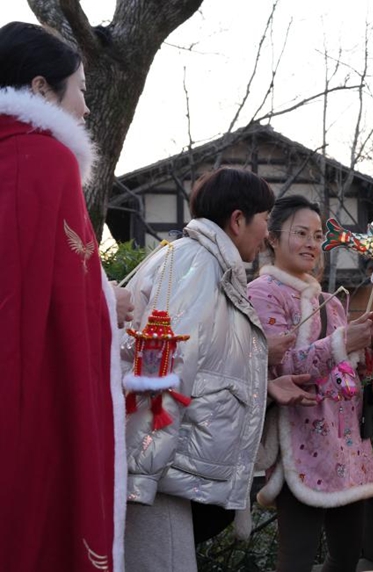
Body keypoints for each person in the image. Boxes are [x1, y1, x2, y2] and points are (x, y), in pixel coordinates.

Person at [121, 168, 316, 572]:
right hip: (162, 477)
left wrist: (265, 383)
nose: (266, 234)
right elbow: (163, 368)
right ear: (238, 219)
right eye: (264, 220)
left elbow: (206, 363)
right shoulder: (196, 266)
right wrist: (140, 477)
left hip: (172, 470)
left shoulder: (209, 266)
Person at [0, 21, 131, 572]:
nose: (84, 110)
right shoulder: (48, 162)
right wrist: (109, 303)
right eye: (79, 89)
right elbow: (56, 298)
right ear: (39, 89)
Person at [249, 195, 373, 572]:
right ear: (273, 238)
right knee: (295, 561)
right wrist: (346, 341)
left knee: (346, 559)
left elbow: (350, 374)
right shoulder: (262, 294)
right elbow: (283, 369)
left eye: (317, 235)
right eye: (301, 233)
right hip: (299, 441)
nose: (312, 243)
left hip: (347, 444)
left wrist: (368, 341)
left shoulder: (332, 301)